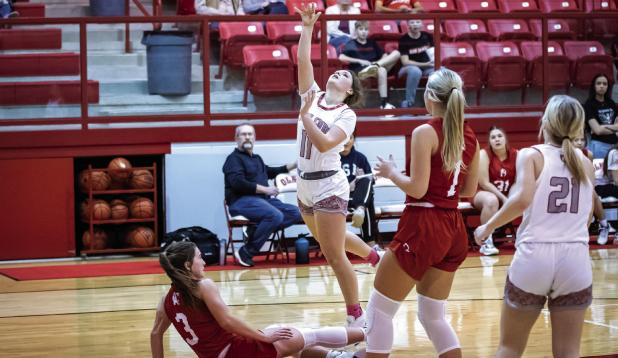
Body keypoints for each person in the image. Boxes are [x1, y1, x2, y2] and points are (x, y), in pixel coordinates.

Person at [364, 68, 480, 357]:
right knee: (432, 317)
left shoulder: (424, 132)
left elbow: (417, 189)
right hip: (454, 228)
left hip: (424, 225)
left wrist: (391, 173)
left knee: (379, 312)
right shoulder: (471, 136)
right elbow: (468, 191)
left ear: (429, 97)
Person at [475, 95, 595, 358]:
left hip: (535, 256)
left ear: (545, 122)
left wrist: (487, 228)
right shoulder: (586, 162)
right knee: (568, 353)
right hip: (575, 259)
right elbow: (587, 218)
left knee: (509, 348)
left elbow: (522, 200)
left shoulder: (532, 154)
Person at [295, 3, 383, 328]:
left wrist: (305, 116)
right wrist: (307, 28)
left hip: (330, 184)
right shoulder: (313, 96)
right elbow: (304, 61)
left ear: (348, 93)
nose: (337, 73)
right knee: (330, 240)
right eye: (336, 71)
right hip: (304, 183)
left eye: (344, 75)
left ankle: (355, 315)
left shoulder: (347, 115)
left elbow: (323, 143)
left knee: (333, 254)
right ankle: (375, 257)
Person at [151, 241, 364, 358]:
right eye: (199, 256)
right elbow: (228, 322)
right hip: (239, 353)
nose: (203, 260)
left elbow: (155, 334)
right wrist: (264, 339)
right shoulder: (203, 286)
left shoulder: (166, 301)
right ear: (188, 266)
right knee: (303, 335)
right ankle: (370, 332)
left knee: (292, 346)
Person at [222, 124, 302, 267]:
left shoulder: (257, 158)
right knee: (275, 215)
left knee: (295, 213)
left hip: (262, 201)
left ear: (254, 138)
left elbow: (269, 172)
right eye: (243, 134)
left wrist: (295, 165)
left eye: (250, 134)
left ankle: (254, 230)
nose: (247, 137)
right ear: (236, 138)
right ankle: (246, 252)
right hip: (241, 201)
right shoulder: (233, 159)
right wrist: (266, 190)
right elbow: (238, 183)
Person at [472, 126, 518, 256]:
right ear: (489, 141)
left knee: (529, 198)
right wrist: (504, 199)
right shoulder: (484, 155)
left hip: (507, 194)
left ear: (505, 139)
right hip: (482, 194)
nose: (497, 139)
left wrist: (513, 196)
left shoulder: (517, 155)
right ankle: (486, 242)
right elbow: (484, 183)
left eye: (499, 136)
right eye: (493, 137)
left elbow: (518, 181)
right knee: (492, 200)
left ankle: (526, 238)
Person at [339, 21, 401, 110]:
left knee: (396, 53)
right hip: (361, 71)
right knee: (382, 70)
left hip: (374, 67)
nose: (364, 32)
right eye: (361, 29)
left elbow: (383, 54)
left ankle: (383, 103)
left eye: (366, 29)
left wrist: (381, 60)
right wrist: (359, 60)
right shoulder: (351, 43)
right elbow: (341, 57)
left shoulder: (372, 42)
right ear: (356, 31)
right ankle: (384, 103)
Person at [574, 133, 612, 245]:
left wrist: (587, 187)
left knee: (592, 193)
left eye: (582, 140)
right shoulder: (565, 154)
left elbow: (590, 176)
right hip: (570, 183)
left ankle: (604, 225)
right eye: (576, 140)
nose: (580, 142)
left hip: (585, 182)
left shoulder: (588, 154)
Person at [340, 130, 378, 242]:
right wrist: (348, 186)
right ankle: (370, 243)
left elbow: (370, 182)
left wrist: (361, 180)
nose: (346, 142)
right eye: (343, 138)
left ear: (353, 140)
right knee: (367, 203)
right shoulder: (331, 159)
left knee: (366, 180)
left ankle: (360, 208)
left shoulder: (361, 158)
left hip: (356, 197)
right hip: (339, 198)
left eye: (350, 138)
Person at [398, 19, 435, 108]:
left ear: (422, 24)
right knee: (415, 71)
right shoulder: (403, 39)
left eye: (418, 22)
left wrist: (432, 63)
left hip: (427, 67)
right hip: (408, 68)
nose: (415, 25)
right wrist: (426, 64)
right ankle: (409, 103)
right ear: (408, 25)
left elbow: (433, 52)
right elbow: (405, 62)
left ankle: (433, 104)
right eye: (412, 22)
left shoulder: (427, 36)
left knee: (441, 71)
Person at [584, 74, 617, 159]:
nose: (602, 86)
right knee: (600, 172)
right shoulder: (589, 104)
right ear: (594, 86)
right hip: (599, 146)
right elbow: (597, 130)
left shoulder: (611, 103)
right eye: (598, 83)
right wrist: (614, 128)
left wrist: (603, 127)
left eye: (604, 84)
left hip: (615, 145)